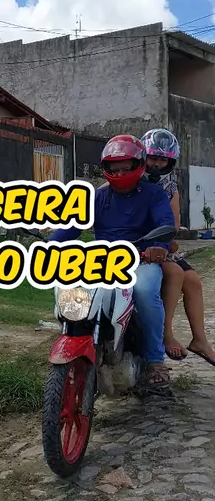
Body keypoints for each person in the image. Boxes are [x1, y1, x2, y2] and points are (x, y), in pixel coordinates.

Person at [48, 134, 175, 392]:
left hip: (141, 259)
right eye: (113, 169)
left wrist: (158, 248)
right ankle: (81, 340)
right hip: (103, 260)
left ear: (138, 165)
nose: (119, 174)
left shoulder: (154, 194)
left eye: (125, 168)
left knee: (145, 291)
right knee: (75, 288)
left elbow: (165, 224)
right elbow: (73, 226)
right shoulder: (98, 197)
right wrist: (49, 245)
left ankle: (155, 360)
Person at [141, 128, 215, 367]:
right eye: (152, 158)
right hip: (136, 244)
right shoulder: (130, 179)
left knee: (193, 280)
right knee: (175, 273)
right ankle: (166, 333)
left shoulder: (170, 186)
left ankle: (200, 340)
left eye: (162, 160)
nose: (156, 164)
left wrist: (167, 240)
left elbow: (173, 224)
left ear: (170, 162)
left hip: (159, 244)